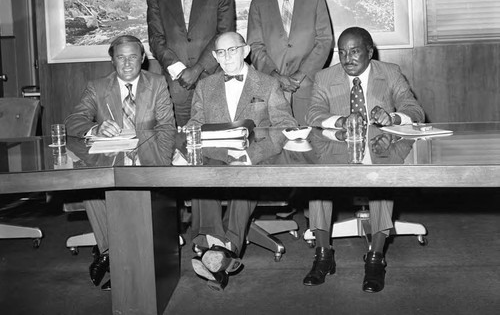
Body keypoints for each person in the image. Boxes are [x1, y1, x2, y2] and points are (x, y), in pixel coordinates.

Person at [304, 27, 425, 293]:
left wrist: (393, 118)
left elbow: (414, 109)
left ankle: (375, 257)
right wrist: (339, 121)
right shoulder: (325, 77)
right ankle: (323, 254)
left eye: (355, 51)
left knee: (380, 180)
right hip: (338, 150)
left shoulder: (390, 72)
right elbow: (312, 113)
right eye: (342, 52)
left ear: (370, 51)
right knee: (318, 181)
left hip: (381, 147)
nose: (347, 58)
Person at [186, 31, 297, 291]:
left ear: (245, 51)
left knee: (243, 176)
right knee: (201, 174)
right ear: (214, 56)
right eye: (221, 53)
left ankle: (220, 249)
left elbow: (285, 126)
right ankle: (220, 252)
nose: (227, 57)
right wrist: (190, 137)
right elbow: (195, 123)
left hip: (254, 158)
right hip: (215, 155)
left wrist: (251, 155)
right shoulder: (205, 86)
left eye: (232, 50)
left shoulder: (268, 84)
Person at [65, 35, 176, 290]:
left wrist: (163, 167)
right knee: (90, 186)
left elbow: (168, 127)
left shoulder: (157, 83)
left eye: (133, 56)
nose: (127, 63)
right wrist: (95, 127)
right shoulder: (97, 86)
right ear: (112, 60)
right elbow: (73, 120)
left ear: (143, 58)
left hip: (148, 159)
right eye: (121, 57)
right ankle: (112, 253)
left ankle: (114, 258)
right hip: (110, 158)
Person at [147, 0, 236, 127]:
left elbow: (225, 34)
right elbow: (156, 39)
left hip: (213, 79)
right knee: (182, 143)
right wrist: (180, 71)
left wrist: (198, 69)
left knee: (217, 140)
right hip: (177, 84)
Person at [247, 0, 333, 125]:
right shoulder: (258, 5)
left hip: (307, 87)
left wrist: (300, 75)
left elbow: (324, 41)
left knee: (310, 144)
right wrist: (275, 76)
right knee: (274, 145)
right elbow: (255, 47)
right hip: (271, 89)